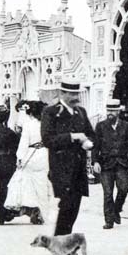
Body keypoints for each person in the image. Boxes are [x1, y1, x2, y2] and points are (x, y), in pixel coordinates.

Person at [41, 78, 96, 235]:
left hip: (78, 169)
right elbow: (47, 139)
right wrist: (72, 136)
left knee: (74, 207)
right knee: (66, 205)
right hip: (61, 168)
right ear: (62, 93)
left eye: (76, 93)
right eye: (71, 94)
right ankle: (60, 240)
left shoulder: (81, 112)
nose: (75, 97)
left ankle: (63, 241)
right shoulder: (51, 112)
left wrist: (89, 142)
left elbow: (91, 134)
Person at [5, 100, 56, 230]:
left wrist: (20, 158)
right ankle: (43, 212)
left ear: (31, 113)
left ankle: (32, 207)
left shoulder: (28, 124)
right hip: (44, 155)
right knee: (42, 184)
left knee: (27, 183)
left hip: (31, 155)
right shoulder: (48, 124)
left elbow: (24, 143)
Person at [92, 99, 128, 229]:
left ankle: (117, 209)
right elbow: (95, 146)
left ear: (118, 111)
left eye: (113, 110)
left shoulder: (126, 126)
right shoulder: (100, 126)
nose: (110, 113)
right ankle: (109, 221)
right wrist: (95, 162)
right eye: (108, 110)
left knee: (124, 188)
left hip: (121, 163)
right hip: (105, 164)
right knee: (108, 193)